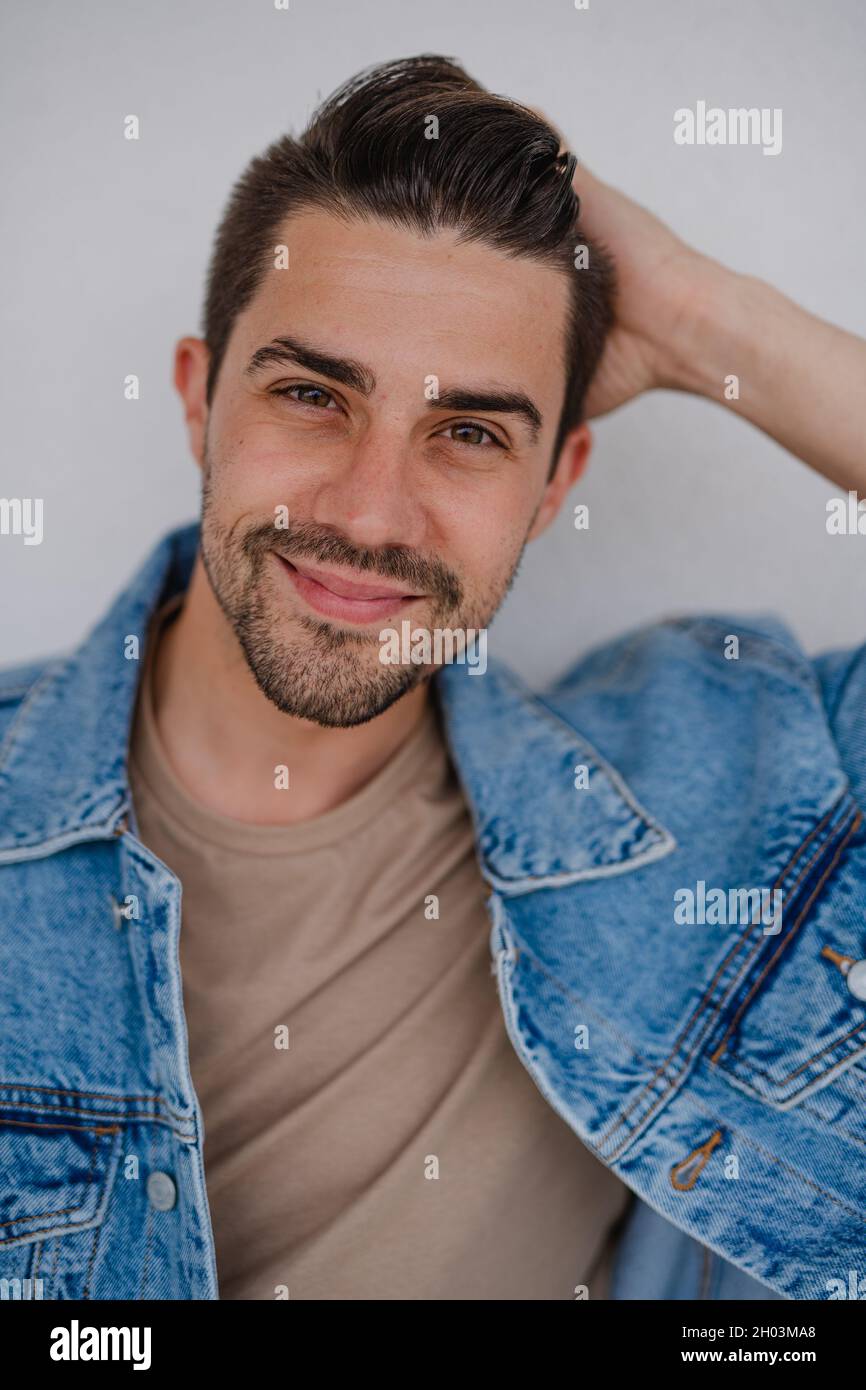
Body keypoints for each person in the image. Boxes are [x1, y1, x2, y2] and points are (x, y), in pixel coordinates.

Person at [1, 52, 864, 1302]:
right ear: (198, 402)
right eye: (310, 394)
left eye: (467, 432)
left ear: (556, 480)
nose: (370, 511)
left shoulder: (726, 790)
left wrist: (696, 319)